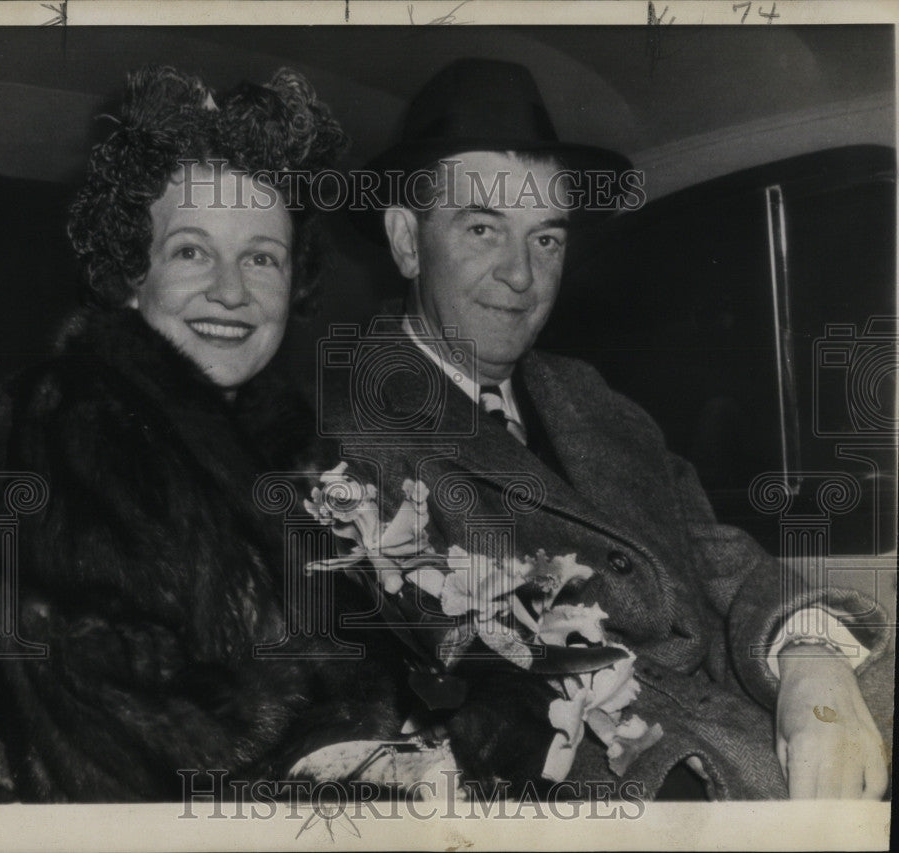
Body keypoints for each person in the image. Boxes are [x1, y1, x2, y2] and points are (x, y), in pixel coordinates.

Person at [319, 58, 893, 800]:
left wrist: (812, 661)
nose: (521, 275)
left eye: (546, 238)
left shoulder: (591, 395)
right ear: (405, 240)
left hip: (758, 731)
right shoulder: (347, 443)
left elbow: (728, 563)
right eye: (484, 228)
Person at [0, 65, 408, 802]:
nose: (230, 289)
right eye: (191, 250)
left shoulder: (289, 450)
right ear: (128, 272)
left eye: (261, 257)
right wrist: (364, 736)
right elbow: (109, 747)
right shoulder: (61, 423)